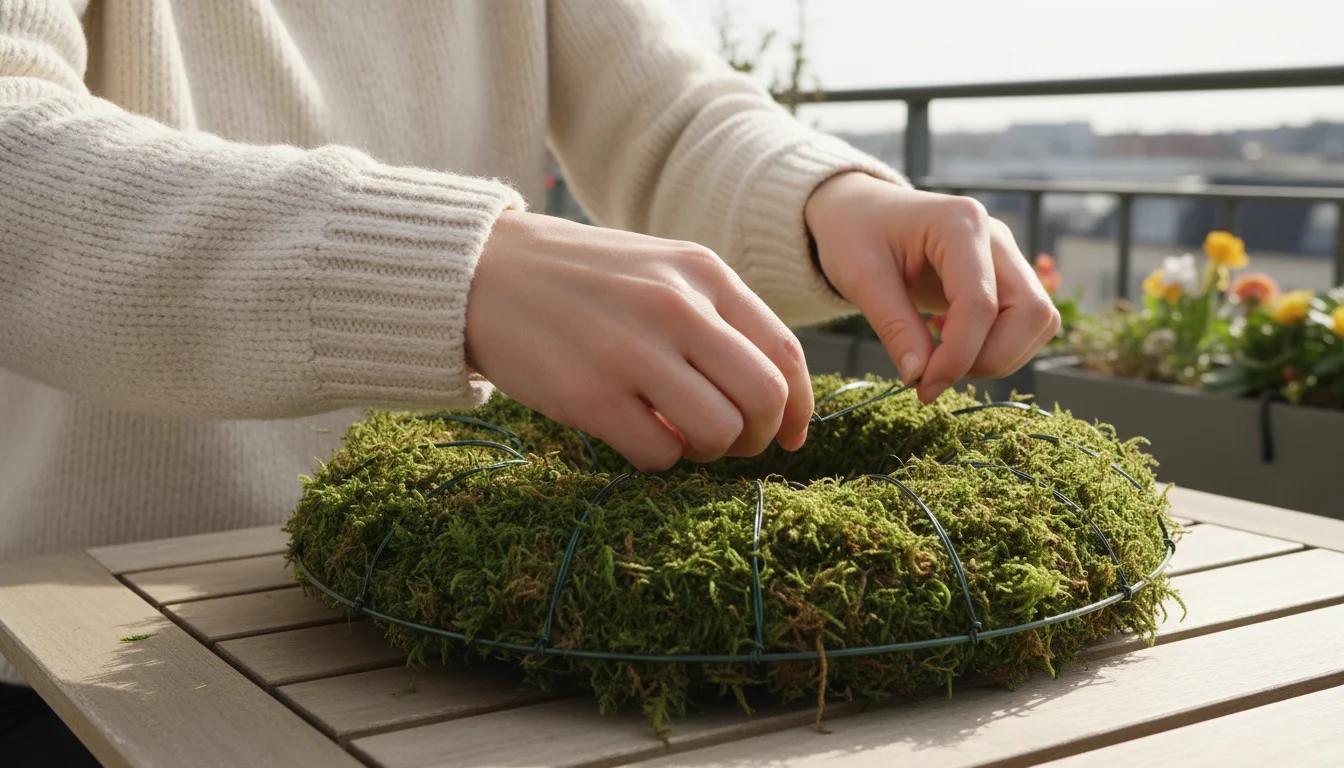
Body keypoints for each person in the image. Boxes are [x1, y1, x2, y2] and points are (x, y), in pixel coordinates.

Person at [0, 0, 1058, 761]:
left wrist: (832, 201)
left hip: (483, 640)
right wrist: (454, 267)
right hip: (99, 659)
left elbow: (670, 110)